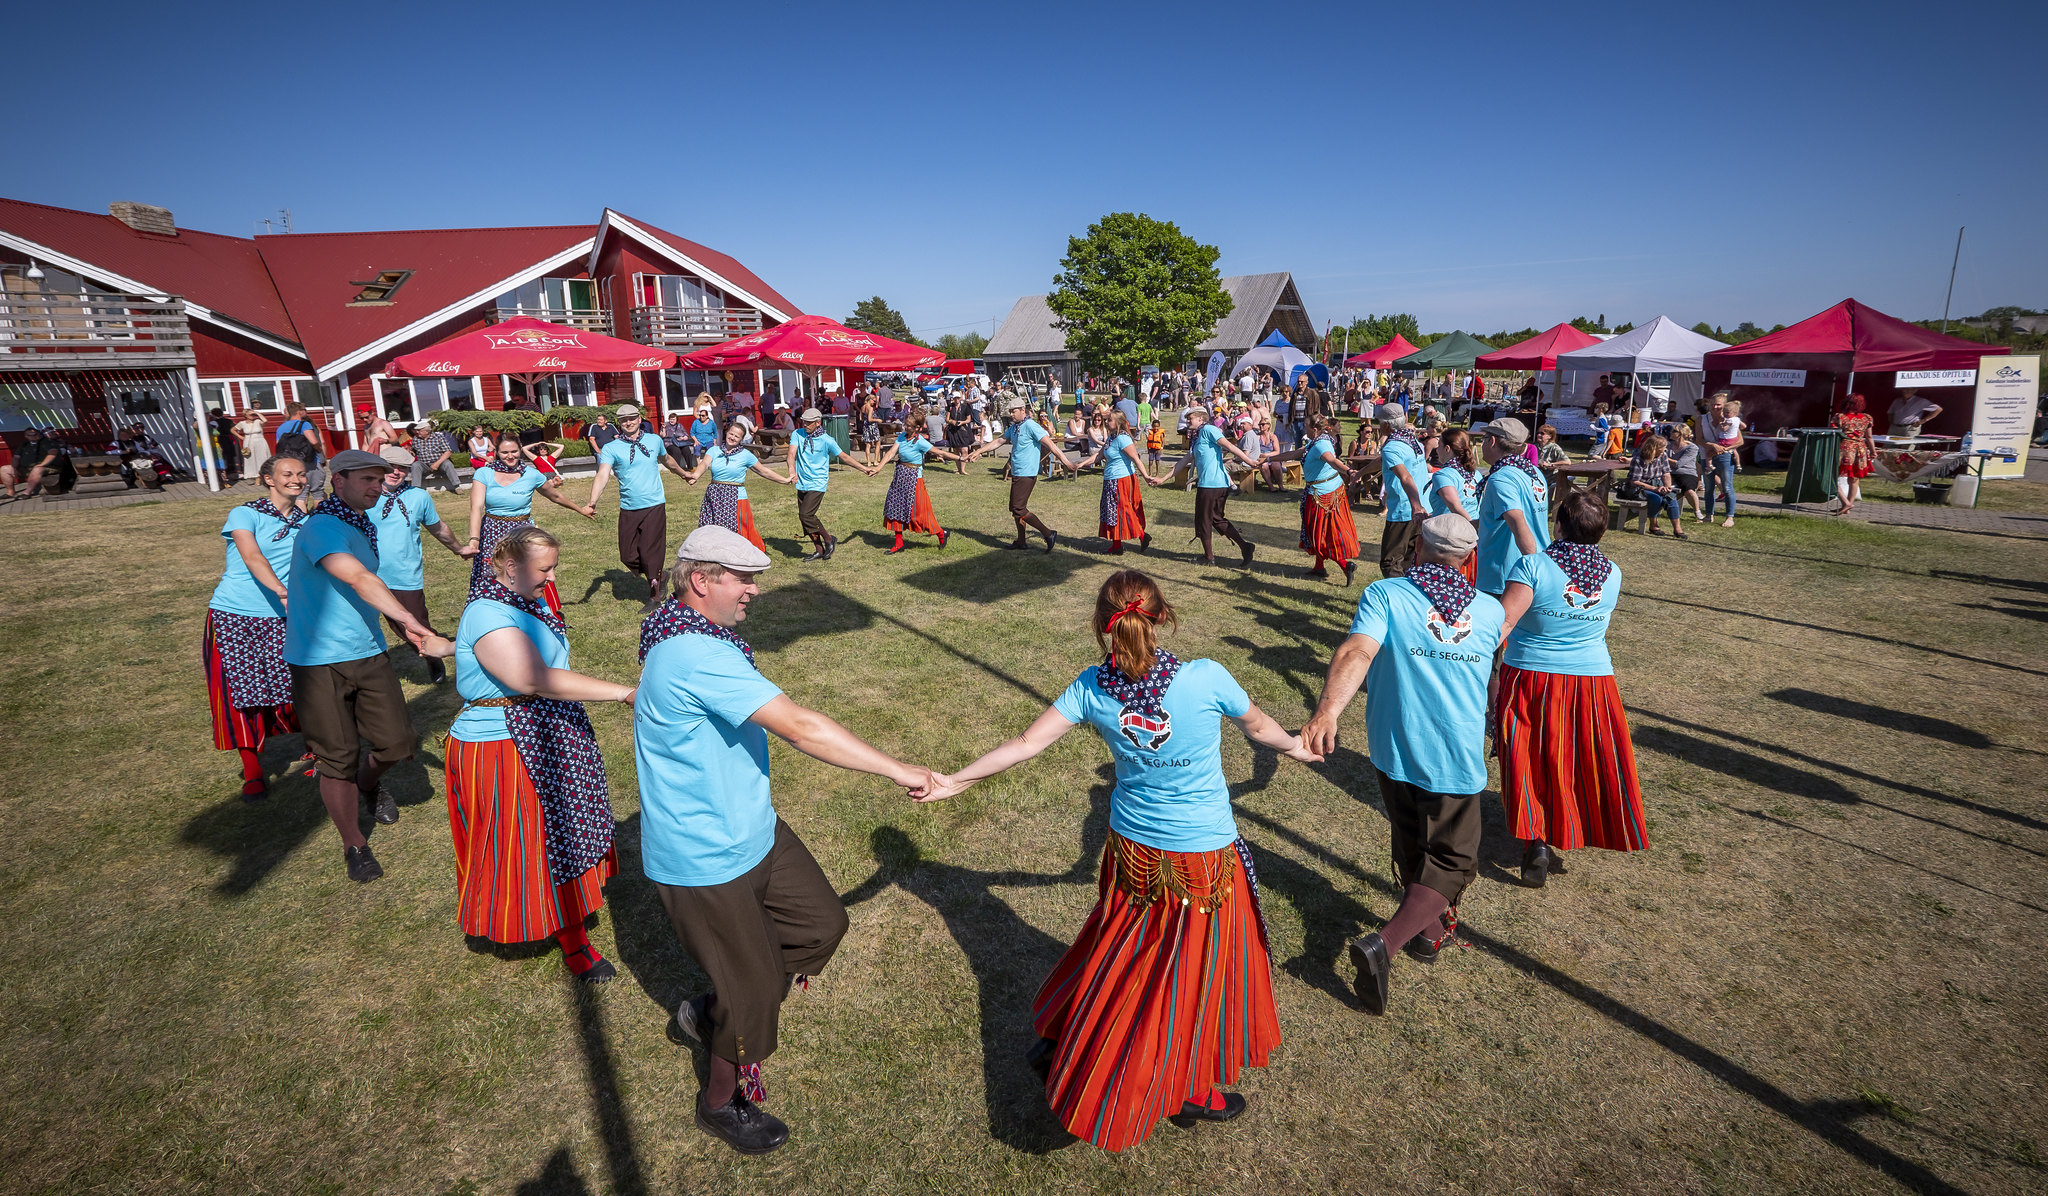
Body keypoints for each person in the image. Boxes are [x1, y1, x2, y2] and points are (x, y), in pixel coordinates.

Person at [919, 570, 1314, 1149]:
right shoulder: (1207, 678)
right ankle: (1184, 1086)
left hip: (1131, 849)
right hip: (1200, 858)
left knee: (1124, 948)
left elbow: (1027, 744)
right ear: (1162, 615)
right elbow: (1259, 728)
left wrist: (956, 780)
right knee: (1187, 976)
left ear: (1103, 626)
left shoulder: (1090, 687)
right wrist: (1298, 746)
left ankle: (1071, 1032)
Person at [641, 526, 938, 1154]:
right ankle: (720, 1102)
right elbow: (801, 727)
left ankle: (716, 1007)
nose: (754, 591)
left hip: (753, 829)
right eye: (742, 579)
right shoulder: (695, 654)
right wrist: (898, 768)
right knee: (753, 995)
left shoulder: (687, 631)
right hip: (705, 856)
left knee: (821, 924)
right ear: (701, 580)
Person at [1303, 514, 1506, 1012]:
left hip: (1393, 747)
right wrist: (1500, 723)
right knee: (1454, 859)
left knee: (1415, 843)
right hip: (1454, 752)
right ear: (1468, 559)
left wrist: (1328, 710)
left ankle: (1428, 934)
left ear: (1418, 548)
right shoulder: (1488, 609)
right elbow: (1493, 674)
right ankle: (1384, 945)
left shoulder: (1387, 595)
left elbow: (1357, 650)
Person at [447, 525, 635, 982]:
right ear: (510, 568)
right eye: (543, 568)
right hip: (504, 743)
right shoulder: (488, 611)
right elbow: (530, 678)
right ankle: (570, 942)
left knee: (565, 833)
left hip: (549, 728)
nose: (552, 578)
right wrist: (623, 692)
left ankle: (572, 928)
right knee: (532, 843)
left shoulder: (525, 603)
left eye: (554, 567)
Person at [284, 450, 454, 883]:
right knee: (336, 757)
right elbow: (359, 578)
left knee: (398, 743)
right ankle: (354, 845)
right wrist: (409, 621)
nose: (377, 487)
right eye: (367, 480)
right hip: (318, 659)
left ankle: (368, 782)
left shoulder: (360, 521)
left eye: (381, 479)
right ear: (337, 481)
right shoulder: (323, 527)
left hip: (367, 650)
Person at [1495, 489, 1648, 887]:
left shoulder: (1533, 566)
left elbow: (1503, 625)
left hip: (1532, 675)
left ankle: (1537, 840)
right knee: (1577, 759)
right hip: (1593, 680)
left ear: (1558, 525)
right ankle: (1574, 827)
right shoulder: (1612, 572)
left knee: (1528, 756)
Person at [204, 454, 310, 800]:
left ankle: (313, 744)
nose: (295, 479)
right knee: (239, 692)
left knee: (296, 683)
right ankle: (252, 770)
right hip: (235, 614)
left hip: (283, 615)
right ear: (269, 479)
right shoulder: (244, 513)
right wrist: (281, 591)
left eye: (300, 474)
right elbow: (252, 556)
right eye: (287, 474)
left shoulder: (304, 519)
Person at [372, 460, 474, 682]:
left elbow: (438, 528)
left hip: (403, 575)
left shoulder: (419, 497)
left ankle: (433, 658)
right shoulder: (365, 496)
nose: (396, 472)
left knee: (414, 625)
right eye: (390, 466)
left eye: (402, 468)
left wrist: (458, 549)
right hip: (365, 574)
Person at [466, 433, 591, 614]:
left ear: (520, 449)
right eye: (505, 452)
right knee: (492, 574)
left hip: (523, 533)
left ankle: (537, 614)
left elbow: (555, 495)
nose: (510, 456)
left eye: (514, 451)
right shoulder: (484, 473)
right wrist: (474, 539)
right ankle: (489, 615)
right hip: (492, 530)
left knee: (530, 574)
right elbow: (476, 508)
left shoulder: (531, 474)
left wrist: (581, 510)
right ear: (496, 451)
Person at [584, 403, 691, 608]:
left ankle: (654, 596)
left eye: (632, 418)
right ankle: (661, 575)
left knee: (651, 552)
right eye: (624, 420)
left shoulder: (654, 440)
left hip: (654, 504)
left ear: (639, 419)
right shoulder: (611, 448)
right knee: (628, 555)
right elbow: (603, 474)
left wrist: (684, 474)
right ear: (619, 423)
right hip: (629, 507)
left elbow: (667, 459)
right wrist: (592, 501)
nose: (629, 422)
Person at [1275, 413, 1362, 583]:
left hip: (1323, 495)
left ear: (1314, 429)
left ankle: (1345, 565)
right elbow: (1296, 454)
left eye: (1306, 425)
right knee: (1320, 531)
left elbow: (1332, 461)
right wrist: (1269, 458)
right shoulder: (1317, 441)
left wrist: (1349, 471)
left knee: (1320, 533)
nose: (1303, 427)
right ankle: (1319, 567)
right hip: (1327, 491)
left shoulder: (1321, 445)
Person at [683, 420, 792, 553]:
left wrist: (784, 480)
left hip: (736, 496)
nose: (732, 437)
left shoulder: (746, 455)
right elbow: (704, 464)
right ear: (727, 433)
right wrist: (695, 476)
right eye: (731, 433)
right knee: (714, 528)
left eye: (737, 436)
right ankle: (718, 556)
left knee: (744, 528)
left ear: (741, 439)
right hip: (715, 495)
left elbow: (764, 471)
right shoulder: (714, 450)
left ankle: (754, 555)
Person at [787, 406, 877, 562]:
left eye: (808, 422)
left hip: (818, 482)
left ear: (818, 423)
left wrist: (864, 469)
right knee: (806, 519)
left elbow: (845, 457)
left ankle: (829, 539)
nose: (804, 425)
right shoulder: (797, 434)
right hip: (802, 481)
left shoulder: (827, 440)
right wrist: (791, 471)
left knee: (806, 514)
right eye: (804, 422)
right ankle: (819, 549)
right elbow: (791, 454)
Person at [1476, 418, 1551, 595]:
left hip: (1507, 575)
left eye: (1484, 438)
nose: (1482, 444)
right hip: (1537, 563)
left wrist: (1532, 571)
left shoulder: (1501, 478)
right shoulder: (1534, 473)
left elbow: (1518, 523)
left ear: (1492, 441)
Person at [1179, 406, 1261, 567]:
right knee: (1216, 519)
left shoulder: (1209, 429)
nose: (1188, 420)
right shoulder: (1197, 436)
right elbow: (1185, 459)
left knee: (1204, 520)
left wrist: (1249, 461)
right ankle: (1245, 547)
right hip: (1212, 483)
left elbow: (1230, 446)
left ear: (1201, 419)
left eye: (1191, 417)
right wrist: (1163, 478)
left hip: (1211, 484)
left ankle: (1209, 557)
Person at [875, 413, 968, 554]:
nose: (905, 427)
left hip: (914, 479)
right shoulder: (901, 437)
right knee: (895, 509)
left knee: (920, 514)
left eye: (908, 426)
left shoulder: (920, 441)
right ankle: (898, 543)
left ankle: (941, 533)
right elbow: (890, 454)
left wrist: (961, 458)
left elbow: (939, 453)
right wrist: (878, 468)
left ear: (917, 428)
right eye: (905, 424)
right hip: (900, 476)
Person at [1071, 412, 1159, 555]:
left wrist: (1146, 476)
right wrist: (1081, 464)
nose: (1106, 422)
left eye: (1109, 420)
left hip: (1122, 480)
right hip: (1110, 480)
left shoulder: (1123, 439)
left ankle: (1142, 536)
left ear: (1118, 423)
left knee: (1124, 511)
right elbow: (1099, 455)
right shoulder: (1111, 437)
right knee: (1112, 512)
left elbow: (1136, 459)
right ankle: (1117, 545)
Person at [997, 395, 1070, 552]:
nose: (1011, 414)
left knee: (1018, 508)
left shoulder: (1031, 426)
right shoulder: (1015, 427)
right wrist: (977, 453)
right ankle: (1021, 541)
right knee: (1015, 508)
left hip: (1026, 473)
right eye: (1009, 411)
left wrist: (1066, 462)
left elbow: (1051, 445)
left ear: (1023, 410)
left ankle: (1048, 533)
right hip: (1017, 471)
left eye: (1013, 411)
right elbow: (999, 441)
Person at [1376, 405, 1429, 579]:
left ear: (1386, 426)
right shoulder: (1414, 443)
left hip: (1405, 510)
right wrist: (1360, 473)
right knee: (1409, 561)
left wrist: (1415, 506)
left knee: (1390, 562)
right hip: (1422, 508)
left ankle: (1400, 600)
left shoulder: (1391, 447)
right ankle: (1411, 598)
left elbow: (1405, 477)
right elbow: (1385, 461)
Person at [1426, 429, 1483, 583]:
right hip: (1470, 538)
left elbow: (1455, 507)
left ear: (1447, 449)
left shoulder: (1443, 475)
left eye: (1439, 446)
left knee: (1440, 584)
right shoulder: (1475, 474)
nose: (1436, 450)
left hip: (1447, 540)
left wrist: (1472, 528)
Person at [1625, 433, 1686, 538]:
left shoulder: (1663, 456)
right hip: (1640, 487)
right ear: (1655, 448)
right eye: (1663, 447)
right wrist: (1654, 488)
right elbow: (1634, 481)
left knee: (1671, 497)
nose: (1665, 450)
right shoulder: (1639, 459)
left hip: (1657, 484)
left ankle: (1677, 528)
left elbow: (1666, 473)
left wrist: (1668, 486)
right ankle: (1653, 525)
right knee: (1655, 498)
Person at [1698, 391, 1742, 527]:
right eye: (1712, 404)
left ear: (1724, 406)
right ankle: (1708, 515)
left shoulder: (1731, 420)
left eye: (1718, 405)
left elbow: (1740, 441)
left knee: (1727, 486)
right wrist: (1712, 445)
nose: (1715, 407)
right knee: (1709, 486)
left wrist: (1724, 449)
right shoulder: (1702, 419)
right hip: (1707, 455)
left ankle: (1730, 517)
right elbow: (1698, 439)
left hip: (1725, 456)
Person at [274, 405, 324, 509]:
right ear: (298, 412)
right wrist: (319, 450)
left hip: (293, 464)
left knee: (300, 494)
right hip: (310, 461)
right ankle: (320, 518)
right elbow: (314, 441)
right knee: (318, 492)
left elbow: (278, 445)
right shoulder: (304, 424)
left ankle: (302, 520)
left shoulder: (281, 427)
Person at [1834, 393, 1876, 515]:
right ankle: (1849, 505)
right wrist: (1873, 451)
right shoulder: (1867, 418)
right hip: (1860, 449)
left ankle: (1845, 503)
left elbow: (1832, 433)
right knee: (1854, 478)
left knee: (1831, 476)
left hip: (1845, 448)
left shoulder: (1840, 417)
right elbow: (1869, 437)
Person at [17, 427, 74, 497]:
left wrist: (41, 465)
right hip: (31, 467)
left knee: (37, 469)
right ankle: (10, 493)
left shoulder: (52, 442)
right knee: (6, 469)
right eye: (51, 433)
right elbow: (16, 457)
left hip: (55, 466)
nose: (54, 434)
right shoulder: (25, 444)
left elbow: (56, 453)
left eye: (54, 432)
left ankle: (27, 493)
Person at [1668, 424, 1704, 522]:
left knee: (1688, 489)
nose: (1670, 433)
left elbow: (1679, 464)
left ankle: (1697, 511)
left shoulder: (1692, 448)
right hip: (1669, 472)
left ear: (1680, 434)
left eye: (1673, 431)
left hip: (1687, 473)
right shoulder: (1668, 445)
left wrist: (1664, 458)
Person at [411, 422, 460, 492]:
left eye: (419, 430)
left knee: (448, 464)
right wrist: (410, 452)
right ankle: (416, 489)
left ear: (427, 431)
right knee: (416, 465)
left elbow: (447, 452)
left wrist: (437, 463)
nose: (417, 432)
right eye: (417, 430)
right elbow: (413, 451)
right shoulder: (416, 439)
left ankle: (457, 486)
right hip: (424, 464)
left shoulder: (438, 437)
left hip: (439, 463)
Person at [233, 411, 271, 480]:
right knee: (250, 458)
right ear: (246, 415)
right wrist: (240, 436)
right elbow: (233, 430)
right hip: (248, 441)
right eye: (250, 415)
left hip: (259, 440)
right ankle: (251, 474)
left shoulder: (258, 421)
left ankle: (263, 473)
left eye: (253, 415)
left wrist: (256, 413)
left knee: (262, 456)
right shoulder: (242, 423)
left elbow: (265, 421)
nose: (252, 416)